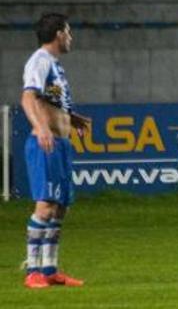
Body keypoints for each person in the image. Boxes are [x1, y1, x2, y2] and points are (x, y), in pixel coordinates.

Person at [22, 14, 91, 289]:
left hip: (61, 143)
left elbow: (50, 100)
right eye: (69, 32)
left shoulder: (54, 65)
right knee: (45, 205)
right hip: (45, 143)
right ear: (59, 33)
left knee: (60, 207)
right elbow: (28, 97)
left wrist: (70, 119)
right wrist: (41, 128)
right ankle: (32, 271)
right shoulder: (39, 60)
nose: (71, 38)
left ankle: (50, 270)